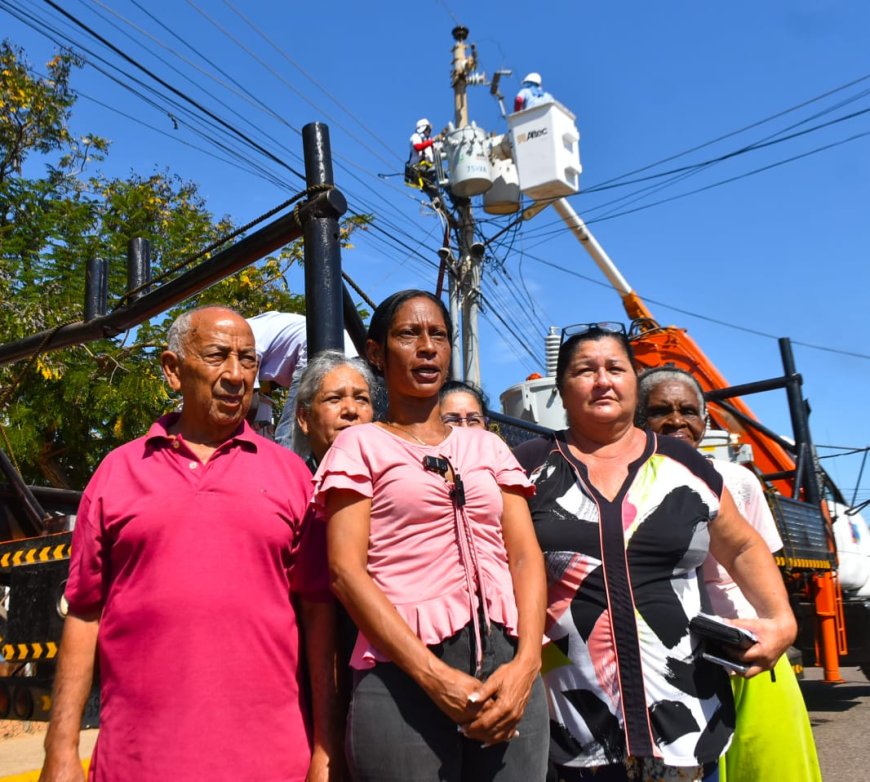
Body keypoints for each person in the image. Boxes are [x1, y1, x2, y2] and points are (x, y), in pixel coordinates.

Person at [40, 306, 340, 782]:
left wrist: (325, 749)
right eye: (218, 356)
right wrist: (60, 751)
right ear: (172, 370)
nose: (237, 375)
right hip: (136, 765)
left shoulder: (291, 476)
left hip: (271, 764)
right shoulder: (118, 472)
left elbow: (318, 615)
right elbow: (83, 613)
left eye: (249, 360)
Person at [513, 322, 797, 782]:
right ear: (561, 392)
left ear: (633, 384)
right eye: (585, 370)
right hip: (570, 722)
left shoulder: (684, 464)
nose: (603, 380)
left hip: (685, 716)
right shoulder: (528, 466)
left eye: (616, 368)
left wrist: (781, 620)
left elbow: (743, 544)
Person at [314, 289, 550, 781]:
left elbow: (525, 558)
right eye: (409, 334)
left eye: (438, 336)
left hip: (509, 673)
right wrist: (434, 677)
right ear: (376, 353)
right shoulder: (359, 445)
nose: (427, 347)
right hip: (404, 676)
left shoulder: (486, 445)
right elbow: (344, 571)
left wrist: (528, 664)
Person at [636, 365, 821, 782]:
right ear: (638, 417)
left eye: (689, 410)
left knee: (765, 764)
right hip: (666, 654)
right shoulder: (625, 486)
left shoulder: (737, 480)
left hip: (743, 651)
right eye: (661, 409)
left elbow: (756, 560)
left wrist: (779, 628)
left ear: (705, 420)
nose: (677, 421)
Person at [246, 310, 357, 446]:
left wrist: (237, 435)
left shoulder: (241, 338)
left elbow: (250, 398)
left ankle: (286, 467)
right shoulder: (255, 326)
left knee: (288, 435)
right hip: (344, 350)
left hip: (320, 352)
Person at [292, 349, 377, 472]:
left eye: (361, 399)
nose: (351, 409)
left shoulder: (392, 484)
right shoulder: (294, 488)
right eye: (334, 399)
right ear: (304, 417)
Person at [405, 118, 440, 199]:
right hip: (417, 167)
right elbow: (417, 147)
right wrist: (432, 141)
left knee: (435, 188)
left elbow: (437, 150)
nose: (429, 132)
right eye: (427, 129)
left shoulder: (428, 140)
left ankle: (442, 204)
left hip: (427, 167)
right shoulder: (415, 137)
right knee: (434, 172)